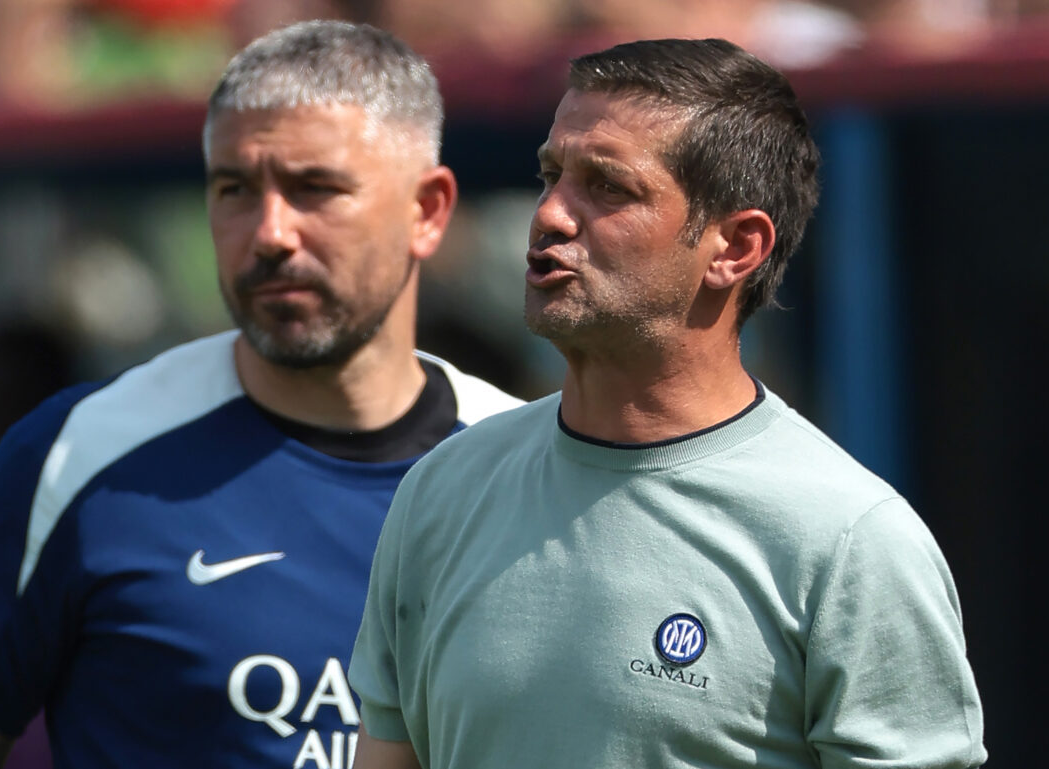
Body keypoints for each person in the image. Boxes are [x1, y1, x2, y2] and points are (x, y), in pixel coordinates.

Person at [347, 37, 986, 769]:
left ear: (735, 248)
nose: (550, 215)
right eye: (550, 175)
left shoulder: (848, 541)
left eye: (607, 187)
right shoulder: (442, 490)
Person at [0, 20, 521, 768]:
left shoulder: (528, 468)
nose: (270, 232)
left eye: (315, 188)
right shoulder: (78, 451)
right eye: (234, 189)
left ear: (426, 210)